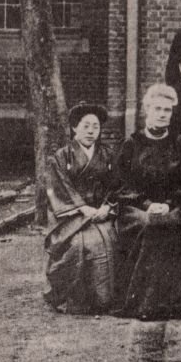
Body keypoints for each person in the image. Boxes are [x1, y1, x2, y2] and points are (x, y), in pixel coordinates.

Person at [113, 84, 181, 320]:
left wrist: (169, 203)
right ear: (146, 110)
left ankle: (173, 303)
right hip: (136, 208)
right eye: (157, 109)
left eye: (167, 110)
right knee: (151, 224)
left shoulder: (180, 145)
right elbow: (122, 185)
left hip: (174, 206)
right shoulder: (131, 145)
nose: (162, 114)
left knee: (167, 223)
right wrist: (148, 204)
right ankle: (145, 303)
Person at [43, 103, 119, 314]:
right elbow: (59, 188)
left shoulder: (108, 155)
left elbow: (116, 185)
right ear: (74, 127)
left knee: (109, 238)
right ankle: (75, 300)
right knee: (78, 243)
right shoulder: (61, 156)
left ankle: (104, 300)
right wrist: (83, 208)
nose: (91, 131)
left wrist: (107, 207)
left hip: (101, 213)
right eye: (86, 126)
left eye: (96, 126)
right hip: (71, 216)